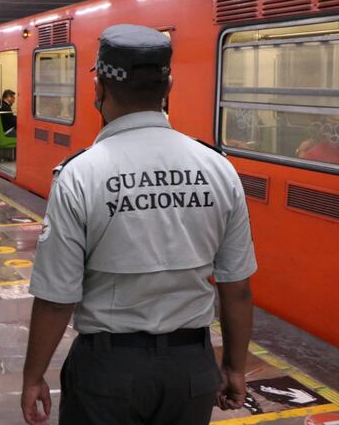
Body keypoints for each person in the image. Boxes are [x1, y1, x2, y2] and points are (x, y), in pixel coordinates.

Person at [21, 24, 257, 425]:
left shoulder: (81, 174)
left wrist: (33, 376)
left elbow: (58, 296)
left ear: (99, 90)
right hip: (191, 370)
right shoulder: (217, 168)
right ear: (168, 88)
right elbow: (237, 290)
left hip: (107, 373)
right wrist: (233, 366)